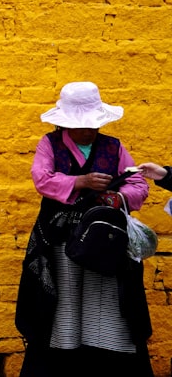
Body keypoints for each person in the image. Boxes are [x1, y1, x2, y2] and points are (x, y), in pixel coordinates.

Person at [15, 81, 153, 376]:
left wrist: (119, 196)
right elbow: (41, 179)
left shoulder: (113, 147)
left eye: (93, 124)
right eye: (81, 125)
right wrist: (80, 182)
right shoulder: (49, 144)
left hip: (105, 243)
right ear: (65, 123)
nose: (88, 130)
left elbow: (138, 184)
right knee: (65, 302)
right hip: (60, 239)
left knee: (107, 303)